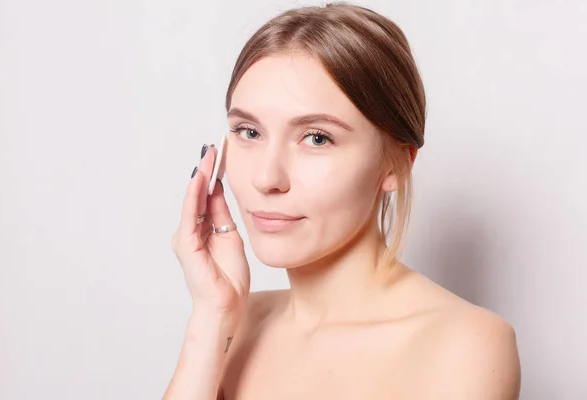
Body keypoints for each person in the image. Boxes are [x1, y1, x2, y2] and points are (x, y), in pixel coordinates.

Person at [163, 3, 521, 399]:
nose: (266, 178)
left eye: (317, 137)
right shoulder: (232, 323)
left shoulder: (464, 345)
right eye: (249, 131)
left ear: (395, 163)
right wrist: (211, 319)